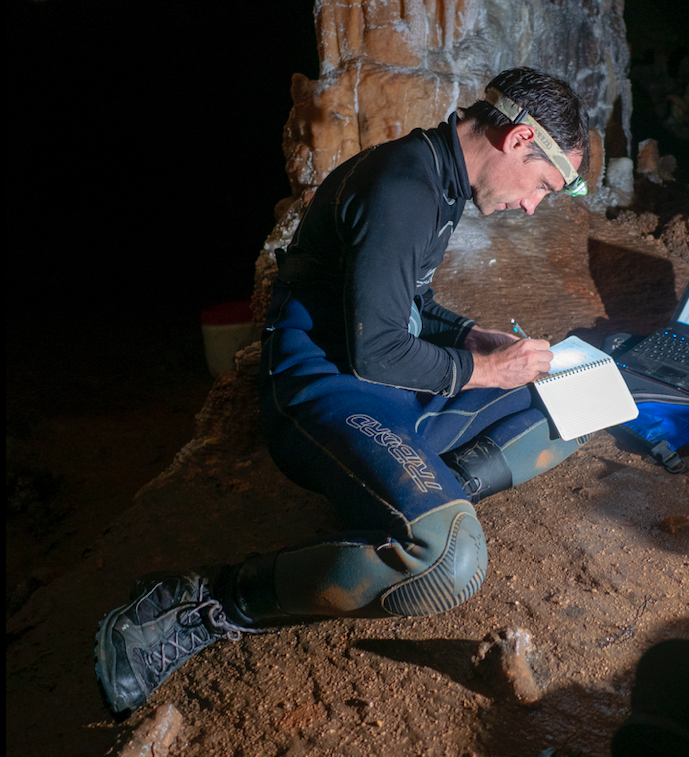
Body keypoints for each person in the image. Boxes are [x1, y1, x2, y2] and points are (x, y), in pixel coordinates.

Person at [95, 67, 592, 717]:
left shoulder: (438, 178)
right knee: (449, 558)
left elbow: (408, 304)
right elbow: (378, 348)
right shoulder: (403, 185)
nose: (532, 205)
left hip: (390, 390)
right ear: (519, 139)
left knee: (572, 404)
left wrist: (472, 337)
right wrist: (486, 371)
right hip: (329, 394)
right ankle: (202, 602)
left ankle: (419, 494)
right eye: (543, 187)